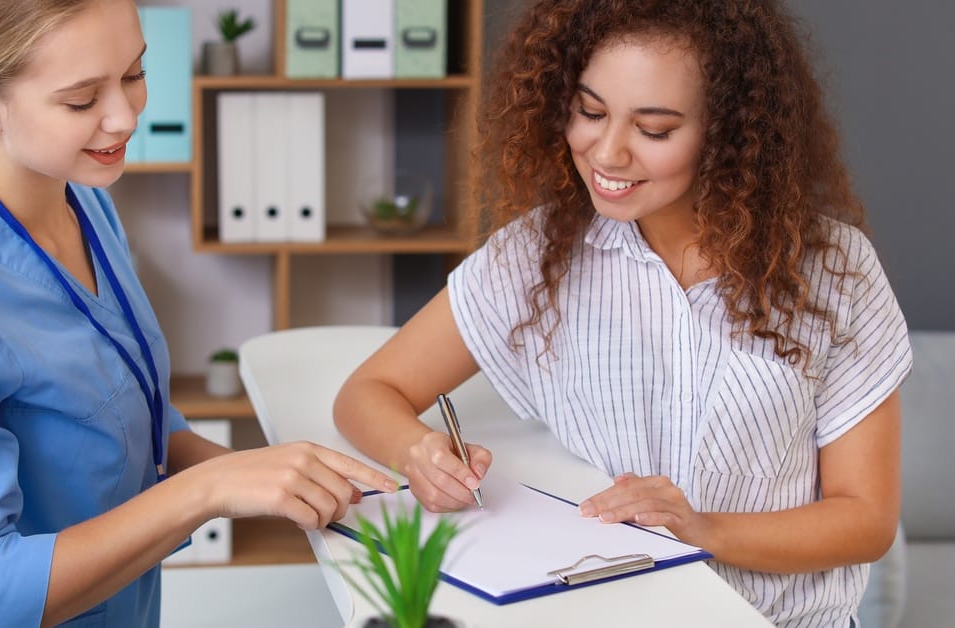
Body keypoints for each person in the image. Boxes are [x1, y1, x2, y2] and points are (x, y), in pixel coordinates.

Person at [333, 1, 911, 626]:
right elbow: (367, 392)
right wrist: (419, 451)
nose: (607, 153)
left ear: (730, 131)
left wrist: (701, 529)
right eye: (589, 111)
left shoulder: (834, 269)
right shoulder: (538, 255)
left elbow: (866, 520)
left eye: (654, 129)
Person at [0, 1, 398, 626]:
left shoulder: (82, 201)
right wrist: (208, 492)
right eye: (82, 100)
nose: (126, 116)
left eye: (134, 74)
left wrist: (274, 475)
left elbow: (136, 425)